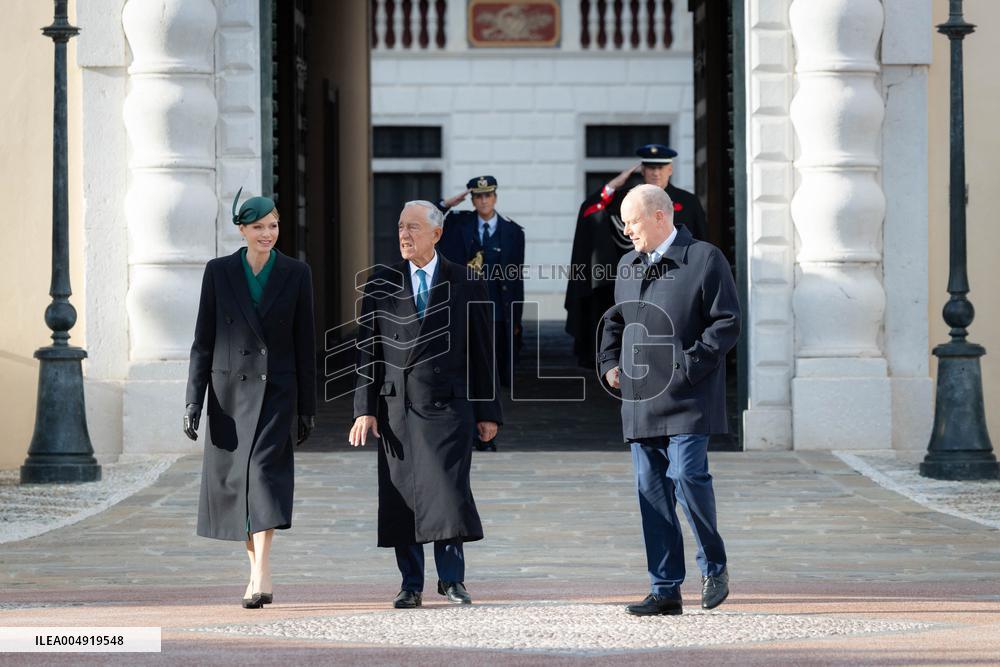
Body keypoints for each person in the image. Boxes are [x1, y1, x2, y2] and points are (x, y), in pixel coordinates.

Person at [349, 200, 502, 609]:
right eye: (400, 226)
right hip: (396, 409)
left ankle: (452, 580)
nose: (404, 234)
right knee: (404, 496)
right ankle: (410, 583)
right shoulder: (380, 284)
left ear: (436, 234)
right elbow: (369, 353)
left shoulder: (466, 281)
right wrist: (363, 408)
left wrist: (488, 412)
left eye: (413, 227)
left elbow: (482, 353)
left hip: (448, 408)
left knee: (448, 492)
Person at [598, 184, 739, 616]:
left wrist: (688, 366)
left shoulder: (705, 258)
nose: (627, 230)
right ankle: (665, 589)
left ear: (660, 217)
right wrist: (608, 363)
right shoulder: (626, 265)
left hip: (689, 398)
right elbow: (614, 323)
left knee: (688, 476)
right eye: (624, 222)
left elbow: (726, 322)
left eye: (633, 220)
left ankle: (713, 566)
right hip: (641, 401)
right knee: (651, 491)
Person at [184, 188, 316, 609]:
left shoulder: (296, 273)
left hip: (276, 392)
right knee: (237, 484)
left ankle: (263, 571)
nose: (268, 233)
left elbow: (304, 342)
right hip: (227, 396)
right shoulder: (218, 271)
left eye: (273, 225)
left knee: (262, 476)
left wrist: (308, 407)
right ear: (241, 229)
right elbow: (202, 341)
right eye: (258, 226)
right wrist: (193, 401)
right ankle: (253, 572)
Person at [566, 144, 706, 368]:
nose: (656, 173)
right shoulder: (627, 200)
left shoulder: (687, 202)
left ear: (671, 169)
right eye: (650, 167)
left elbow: (702, 247)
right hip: (636, 281)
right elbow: (590, 211)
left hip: (676, 281)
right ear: (642, 170)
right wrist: (612, 186)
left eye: (661, 167)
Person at [436, 175, 525, 452]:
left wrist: (516, 319)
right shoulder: (457, 224)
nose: (483, 201)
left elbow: (516, 279)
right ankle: (467, 430)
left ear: (495, 197)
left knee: (489, 372)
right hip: (462, 309)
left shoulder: (513, 232)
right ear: (472, 199)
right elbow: (427, 218)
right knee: (465, 369)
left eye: (488, 196)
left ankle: (488, 432)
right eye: (477, 196)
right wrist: (445, 204)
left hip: (496, 313)